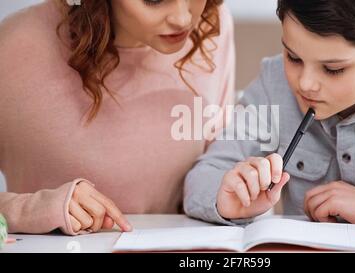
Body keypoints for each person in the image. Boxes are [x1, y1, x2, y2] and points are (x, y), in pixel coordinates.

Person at [184, 0, 355, 229]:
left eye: (333, 69)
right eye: (293, 57)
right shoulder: (272, 83)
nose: (305, 84)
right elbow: (203, 178)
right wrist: (226, 198)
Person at [0, 0, 235, 235]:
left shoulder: (210, 27)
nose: (182, 18)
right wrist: (31, 210)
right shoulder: (13, 48)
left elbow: (217, 166)